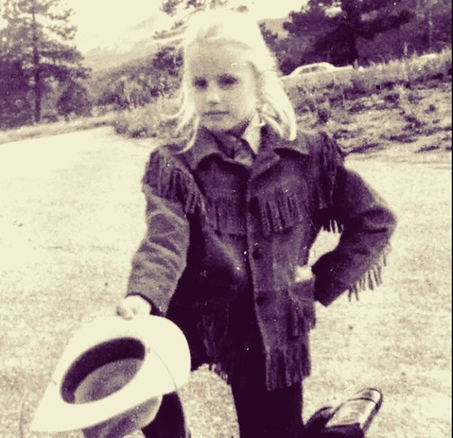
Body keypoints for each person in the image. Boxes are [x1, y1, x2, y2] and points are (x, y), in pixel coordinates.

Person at [115, 8, 396, 438]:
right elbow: (163, 239)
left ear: (259, 83)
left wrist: (320, 283)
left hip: (272, 328)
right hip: (198, 315)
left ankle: (324, 431)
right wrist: (143, 297)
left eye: (228, 81)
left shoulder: (308, 157)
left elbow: (375, 220)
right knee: (134, 365)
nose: (211, 97)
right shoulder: (174, 165)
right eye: (199, 83)